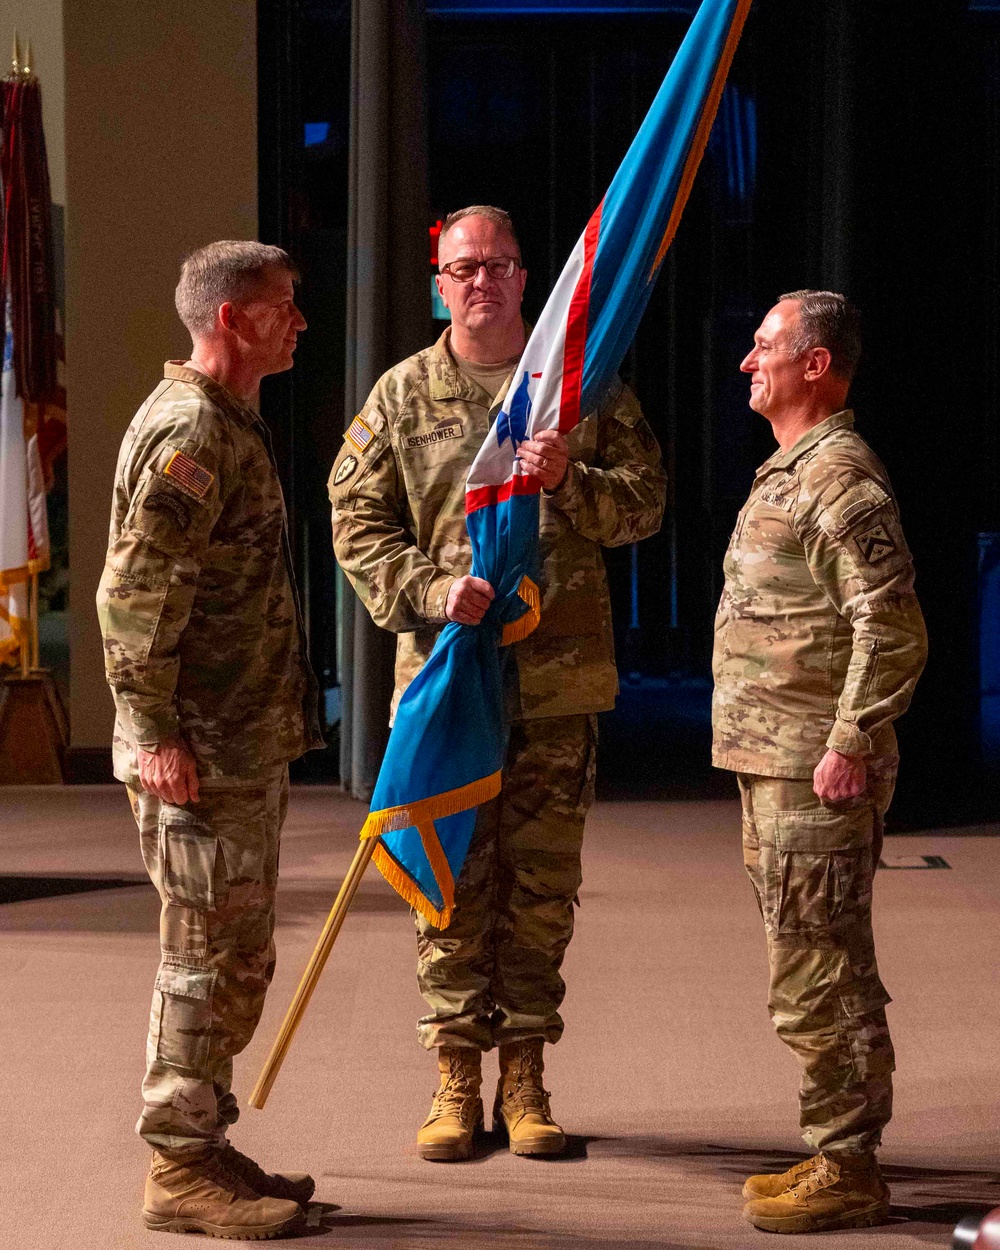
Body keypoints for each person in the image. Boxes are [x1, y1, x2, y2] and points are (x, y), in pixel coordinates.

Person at [329, 205, 666, 1162]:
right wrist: (432, 591)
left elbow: (644, 507)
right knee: (449, 886)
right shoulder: (402, 396)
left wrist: (571, 481)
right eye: (463, 267)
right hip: (448, 680)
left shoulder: (581, 389)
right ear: (439, 281)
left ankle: (525, 1075)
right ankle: (453, 1073)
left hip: (557, 686)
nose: (482, 281)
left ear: (528, 279)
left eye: (500, 265)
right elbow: (356, 521)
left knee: (540, 889)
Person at [96, 241, 325, 1240]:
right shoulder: (192, 430)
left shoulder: (225, 421)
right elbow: (133, 596)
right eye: (285, 305)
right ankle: (178, 1163)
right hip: (198, 746)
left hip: (237, 739)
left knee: (233, 952)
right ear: (232, 316)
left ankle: (204, 1134)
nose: (300, 321)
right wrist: (153, 734)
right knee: (203, 952)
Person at [712, 291, 928, 1234]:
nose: (746, 362)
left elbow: (894, 624)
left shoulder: (838, 480)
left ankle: (848, 1163)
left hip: (813, 767)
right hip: (776, 761)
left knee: (821, 969)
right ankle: (836, 1149)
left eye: (764, 346)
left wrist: (850, 740)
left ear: (816, 365)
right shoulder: (791, 471)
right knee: (808, 958)